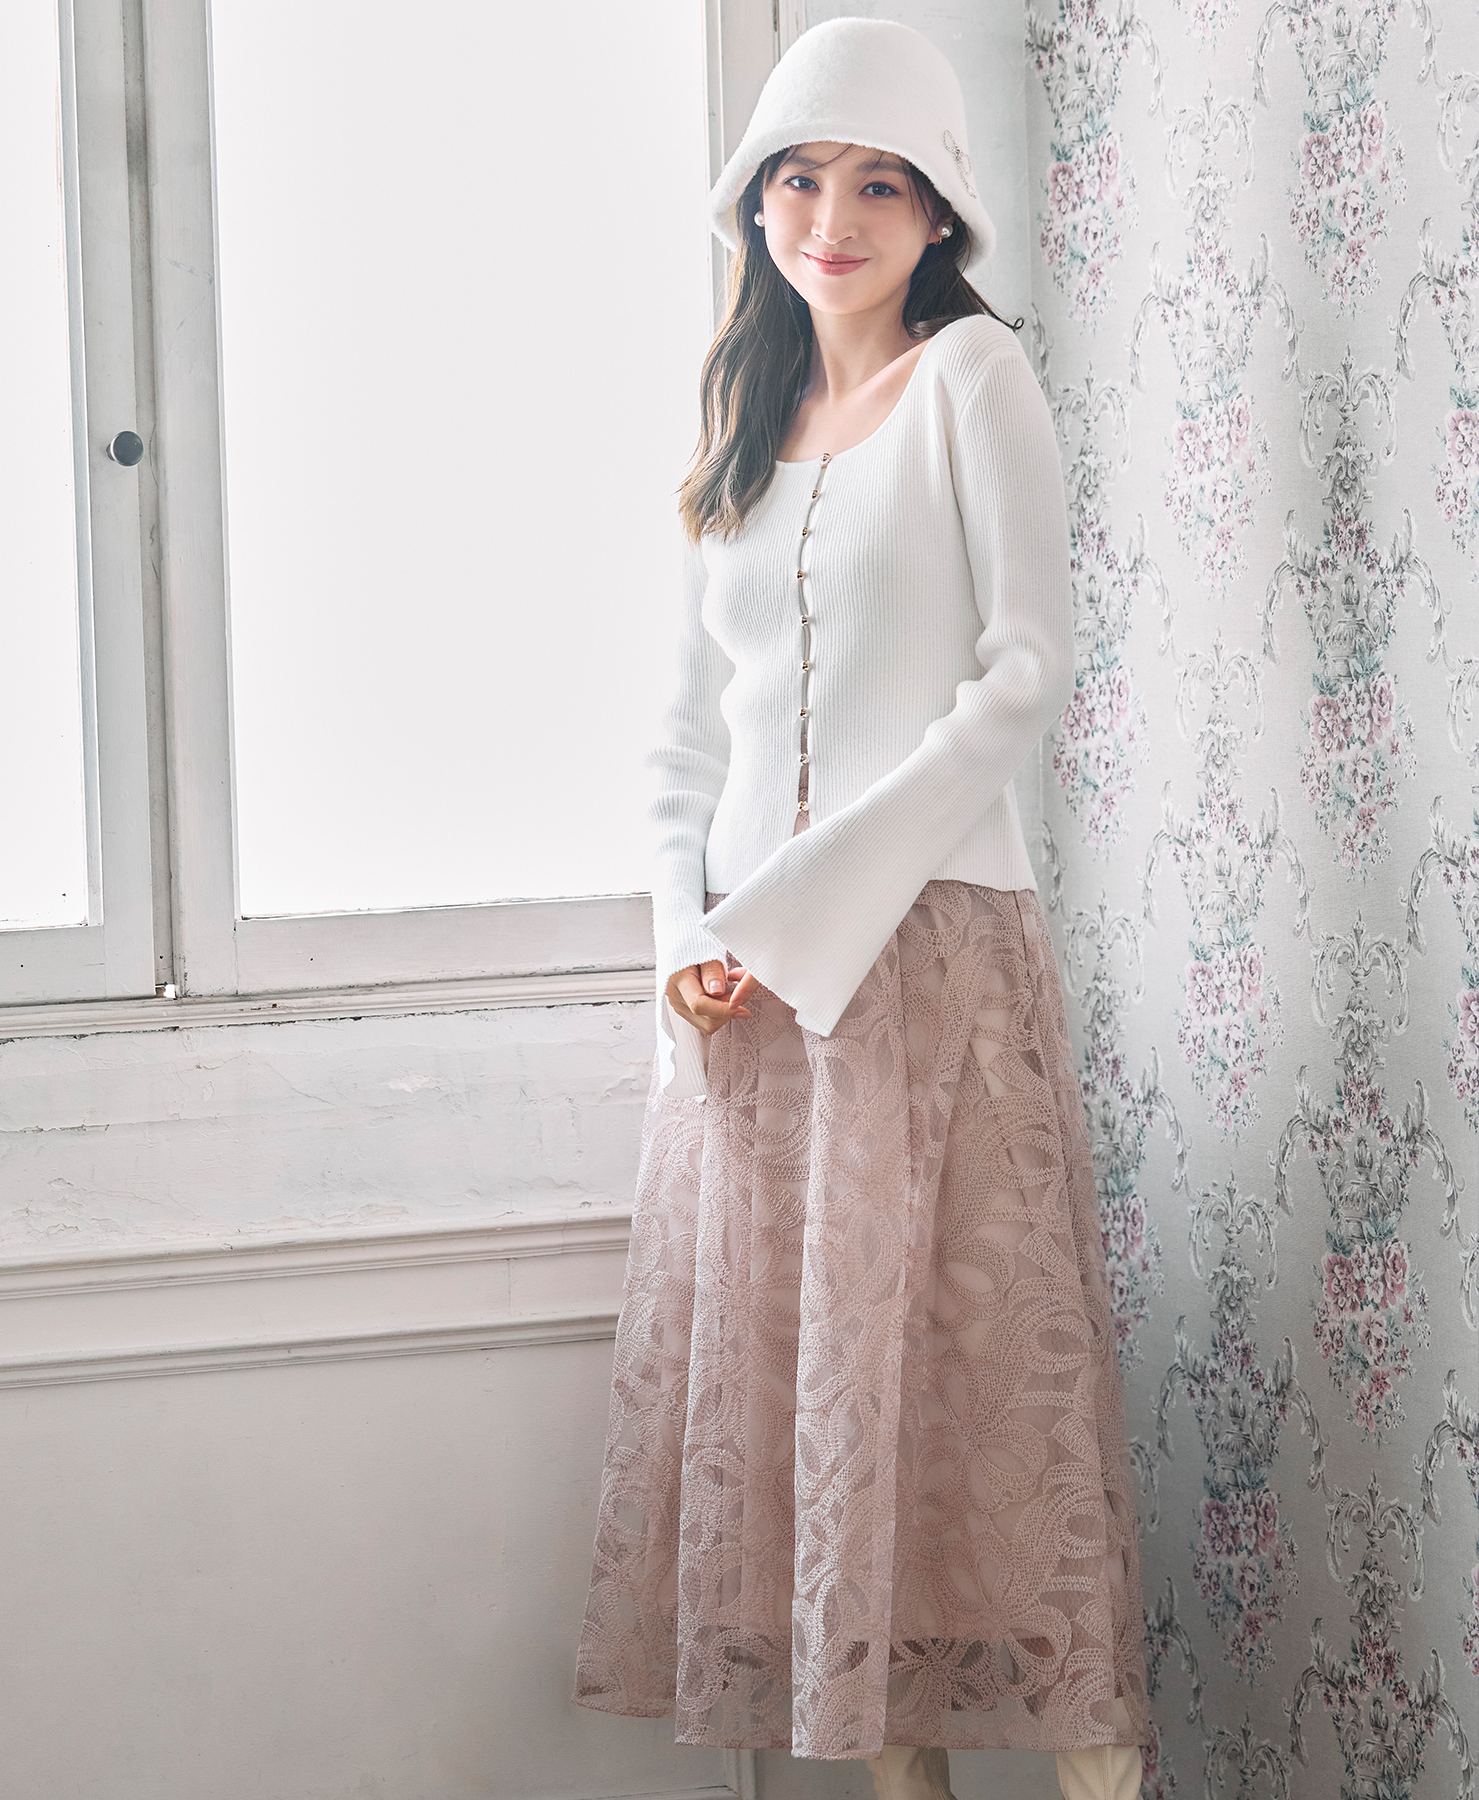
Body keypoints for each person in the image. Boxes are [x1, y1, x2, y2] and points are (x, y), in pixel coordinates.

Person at [573, 18, 1151, 1800]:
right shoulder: (738, 420)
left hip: (935, 961)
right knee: (821, 1433)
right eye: (802, 179)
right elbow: (685, 735)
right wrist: (689, 943)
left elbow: (1021, 680)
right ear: (753, 200)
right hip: (744, 1009)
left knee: (977, 1415)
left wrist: (791, 912)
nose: (833, 219)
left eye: (880, 185)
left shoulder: (975, 377)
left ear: (937, 214)